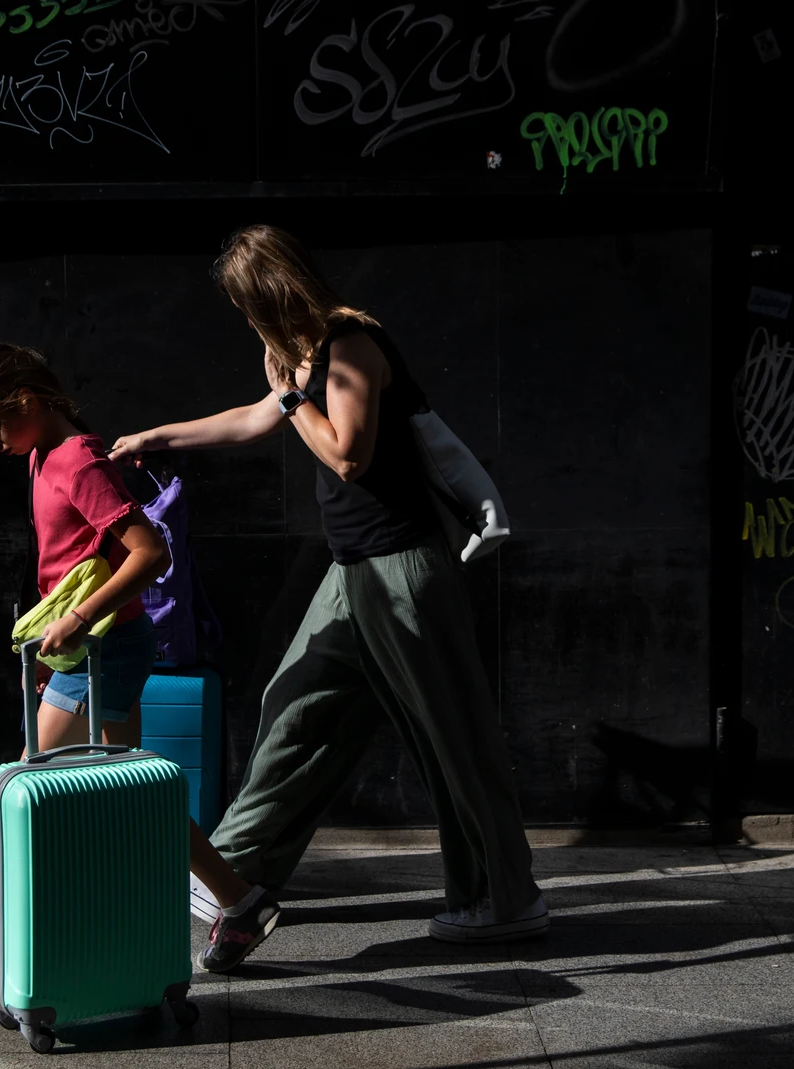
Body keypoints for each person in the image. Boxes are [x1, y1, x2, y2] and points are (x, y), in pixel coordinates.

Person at [109, 225, 549, 943]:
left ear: (271, 295)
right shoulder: (305, 357)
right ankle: (232, 871)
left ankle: (506, 895)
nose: (246, 321)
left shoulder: (350, 347)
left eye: (246, 306)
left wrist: (289, 402)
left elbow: (348, 453)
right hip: (352, 574)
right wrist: (157, 437)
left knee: (451, 736)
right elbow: (258, 416)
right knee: (295, 708)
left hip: (403, 570)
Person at [0, 341, 283, 1000]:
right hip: (93, 650)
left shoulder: (74, 461)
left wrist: (74, 621)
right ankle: (241, 901)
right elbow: (73, 559)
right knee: (132, 793)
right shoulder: (44, 453)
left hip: (106, 650)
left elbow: (150, 554)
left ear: (27, 401)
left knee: (13, 797)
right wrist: (59, 635)